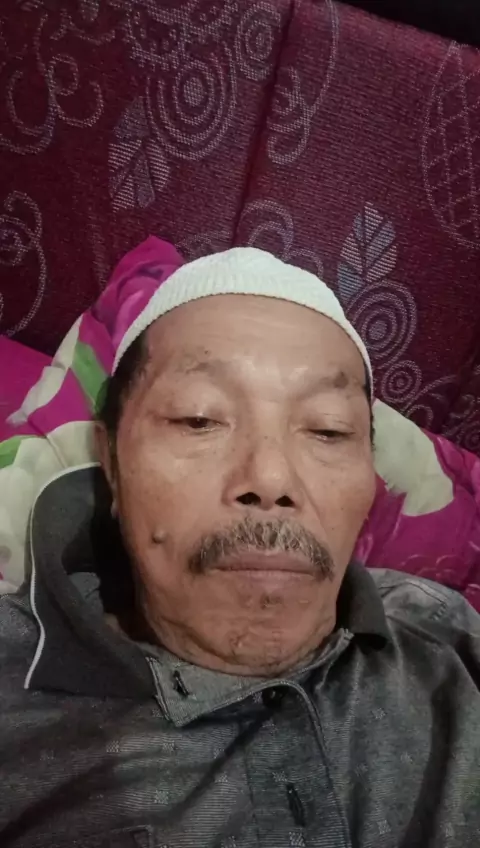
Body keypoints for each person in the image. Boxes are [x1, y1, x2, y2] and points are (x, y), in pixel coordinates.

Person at [1, 243, 479, 848]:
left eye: (328, 429)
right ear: (112, 463)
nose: (271, 479)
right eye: (199, 419)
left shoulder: (446, 637)